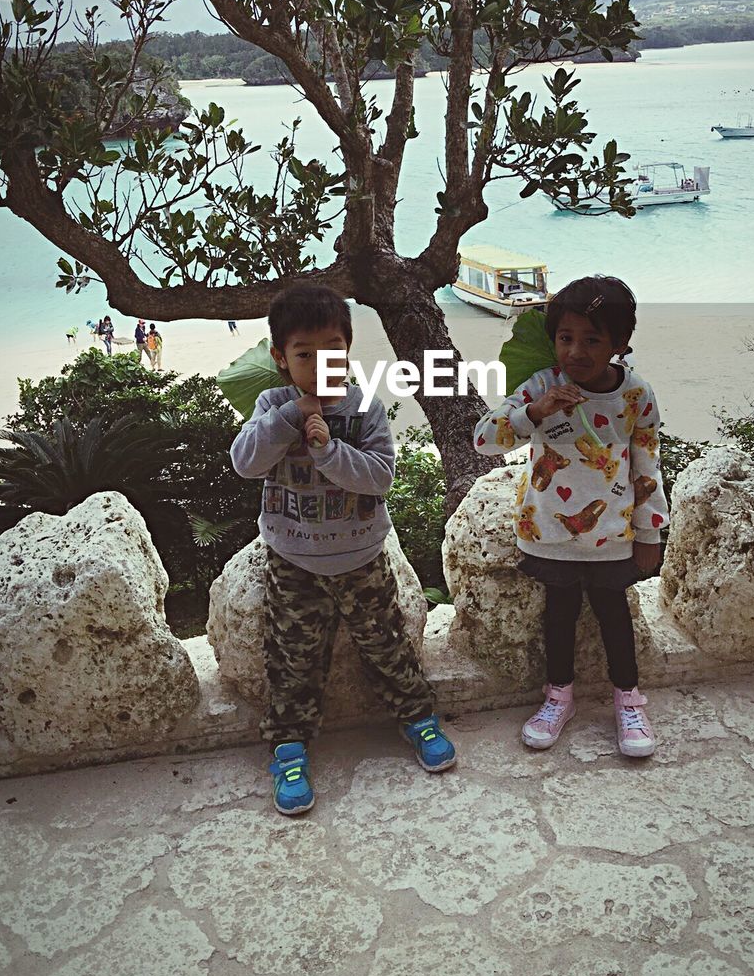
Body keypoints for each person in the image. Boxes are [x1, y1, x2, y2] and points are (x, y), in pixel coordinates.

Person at [230, 283, 456, 816]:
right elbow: (245, 461)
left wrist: (330, 451)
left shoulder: (365, 409)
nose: (320, 362)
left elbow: (379, 478)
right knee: (291, 660)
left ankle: (419, 720)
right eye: (304, 353)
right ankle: (289, 748)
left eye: (333, 349)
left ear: (349, 349)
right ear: (282, 359)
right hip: (294, 561)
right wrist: (289, 420)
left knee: (386, 646)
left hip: (360, 559)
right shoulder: (273, 406)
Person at [474, 275, 669, 759]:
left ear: (620, 344)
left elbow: (648, 465)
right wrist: (533, 413)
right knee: (557, 616)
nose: (575, 352)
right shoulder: (541, 386)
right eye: (565, 338)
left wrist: (651, 532)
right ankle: (557, 697)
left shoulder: (636, 396)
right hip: (547, 531)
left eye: (592, 339)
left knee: (613, 615)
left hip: (612, 534)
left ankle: (628, 700)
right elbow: (485, 440)